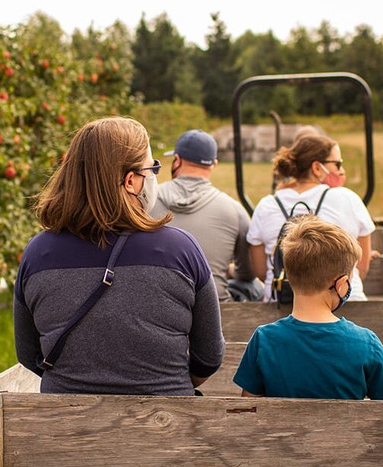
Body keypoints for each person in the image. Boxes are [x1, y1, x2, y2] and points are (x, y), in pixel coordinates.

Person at [14, 116, 225, 395]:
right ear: (130, 181)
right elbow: (209, 356)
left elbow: (28, 354)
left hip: (66, 420)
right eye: (152, 168)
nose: (154, 176)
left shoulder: (37, 253)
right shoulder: (181, 250)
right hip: (166, 418)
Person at [233, 215, 383, 400]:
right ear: (342, 285)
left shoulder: (264, 339)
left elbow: (249, 406)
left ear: (289, 275)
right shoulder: (366, 342)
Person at [247, 134, 376, 301]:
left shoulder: (267, 205)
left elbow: (261, 271)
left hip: (283, 301)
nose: (341, 170)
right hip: (347, 301)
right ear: (317, 168)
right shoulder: (347, 199)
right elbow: (362, 267)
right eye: (337, 164)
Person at [150, 129, 263, 302]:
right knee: (253, 287)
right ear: (214, 164)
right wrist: (228, 270)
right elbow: (248, 273)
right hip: (215, 306)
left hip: (157, 302)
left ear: (177, 160)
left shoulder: (147, 200)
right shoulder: (234, 209)